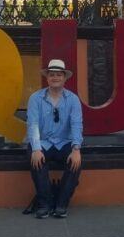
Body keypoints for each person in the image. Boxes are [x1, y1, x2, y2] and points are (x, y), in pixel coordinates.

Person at [26, 59, 83, 219]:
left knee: (75, 163)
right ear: (47, 78)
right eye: (52, 75)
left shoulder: (72, 99)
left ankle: (61, 204)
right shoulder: (36, 98)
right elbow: (33, 124)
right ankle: (45, 203)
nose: (55, 77)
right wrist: (36, 149)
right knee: (36, 160)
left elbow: (77, 124)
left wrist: (76, 148)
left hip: (64, 142)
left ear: (65, 78)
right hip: (42, 142)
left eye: (59, 75)